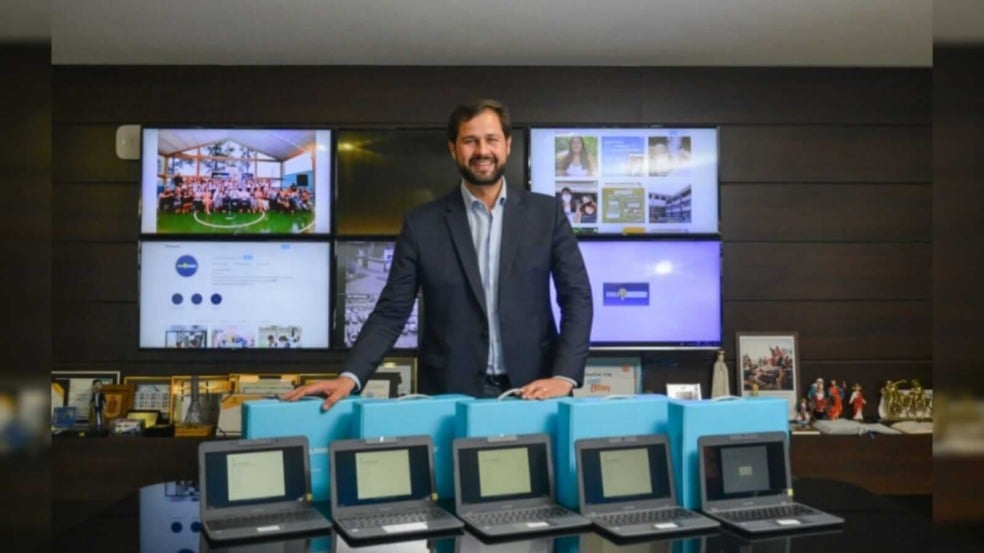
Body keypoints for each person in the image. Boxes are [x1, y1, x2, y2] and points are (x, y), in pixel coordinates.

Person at [284, 99, 593, 409]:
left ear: (507, 145)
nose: (482, 151)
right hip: (449, 395)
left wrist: (564, 377)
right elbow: (392, 311)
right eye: (470, 141)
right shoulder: (422, 225)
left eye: (491, 140)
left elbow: (576, 297)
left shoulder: (547, 214)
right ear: (453, 148)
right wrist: (349, 376)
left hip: (534, 390)